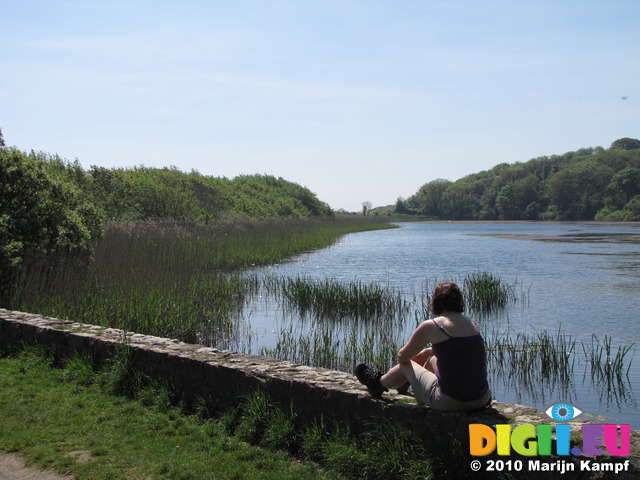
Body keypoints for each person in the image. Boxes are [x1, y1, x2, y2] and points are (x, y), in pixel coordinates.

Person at [355, 281, 491, 411]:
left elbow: (402, 357)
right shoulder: (471, 324)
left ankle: (377, 383)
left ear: (437, 302)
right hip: (482, 399)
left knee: (407, 364)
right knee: (433, 360)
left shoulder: (433, 325)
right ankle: (407, 386)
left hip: (451, 402)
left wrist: (415, 359)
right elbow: (461, 350)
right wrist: (430, 351)